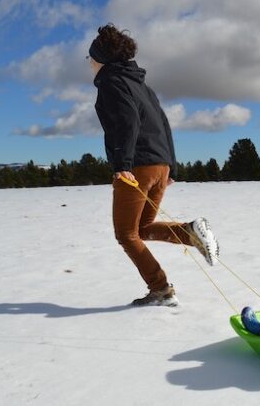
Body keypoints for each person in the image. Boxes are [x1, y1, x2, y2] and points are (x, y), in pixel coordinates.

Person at [89, 23, 219, 307]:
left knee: (126, 234)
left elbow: (127, 122)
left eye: (91, 58)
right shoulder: (141, 86)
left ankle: (160, 288)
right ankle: (189, 232)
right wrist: (171, 166)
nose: (89, 64)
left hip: (136, 167)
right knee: (144, 228)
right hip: (160, 166)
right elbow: (163, 123)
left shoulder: (112, 82)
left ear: (100, 59)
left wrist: (122, 163)